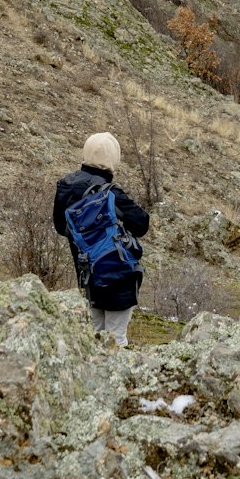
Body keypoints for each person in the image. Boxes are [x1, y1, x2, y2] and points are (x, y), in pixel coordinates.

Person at [53, 131, 150, 345]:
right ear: (112, 159)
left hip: (87, 274)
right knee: (116, 339)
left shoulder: (65, 186)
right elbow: (142, 223)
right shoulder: (109, 192)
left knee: (94, 337)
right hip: (118, 275)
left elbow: (61, 227)